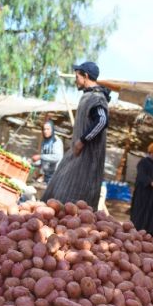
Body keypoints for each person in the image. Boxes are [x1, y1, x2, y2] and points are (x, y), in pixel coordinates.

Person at [42, 61, 110, 210]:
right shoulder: (89, 96)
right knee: (58, 188)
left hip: (88, 159)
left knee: (73, 199)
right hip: (77, 156)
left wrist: (82, 141)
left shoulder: (97, 98)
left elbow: (102, 120)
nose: (75, 80)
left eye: (77, 76)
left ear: (85, 76)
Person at [130, 143, 153, 236]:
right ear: (151, 152)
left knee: (152, 214)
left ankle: (149, 233)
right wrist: (150, 182)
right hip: (143, 195)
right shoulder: (143, 162)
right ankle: (137, 232)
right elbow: (141, 175)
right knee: (141, 213)